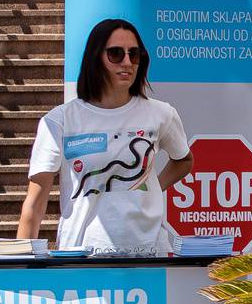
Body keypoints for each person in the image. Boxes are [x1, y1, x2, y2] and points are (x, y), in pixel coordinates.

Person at [16, 17, 193, 255]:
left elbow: (184, 160)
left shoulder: (162, 114)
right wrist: (19, 264)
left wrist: (150, 188)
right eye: (116, 54)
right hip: (80, 257)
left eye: (135, 54)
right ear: (95, 58)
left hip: (149, 256)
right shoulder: (59, 120)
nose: (127, 62)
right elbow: (35, 204)